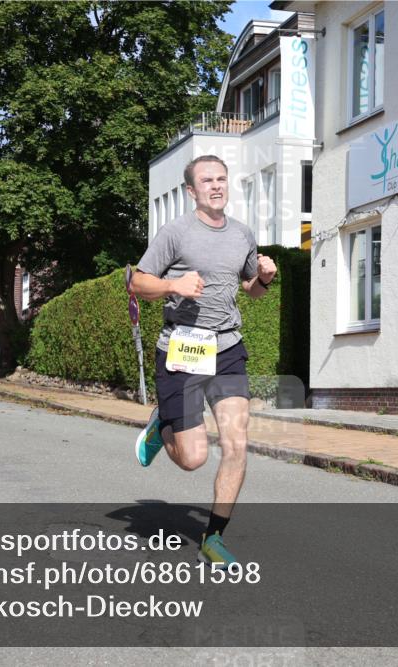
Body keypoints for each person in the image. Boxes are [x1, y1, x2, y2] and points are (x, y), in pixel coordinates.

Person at [130, 155, 276, 566]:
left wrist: (264, 276)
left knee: (236, 444)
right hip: (182, 348)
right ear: (192, 191)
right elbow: (137, 281)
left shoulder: (243, 234)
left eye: (222, 179)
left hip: (227, 349)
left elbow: (252, 290)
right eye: (207, 181)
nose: (216, 186)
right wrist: (174, 283)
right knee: (193, 458)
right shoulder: (175, 233)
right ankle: (163, 424)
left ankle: (214, 537)